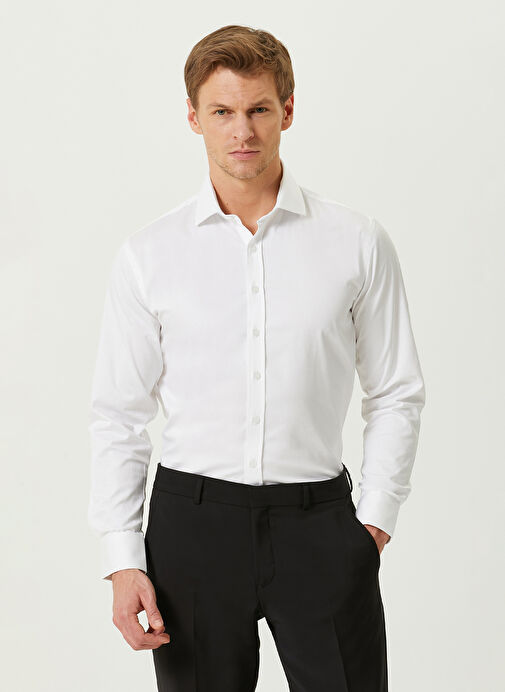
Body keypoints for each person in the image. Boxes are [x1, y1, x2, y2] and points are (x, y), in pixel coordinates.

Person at [87, 24, 425, 692]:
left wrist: (374, 523)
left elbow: (395, 390)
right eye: (222, 111)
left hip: (320, 526)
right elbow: (118, 415)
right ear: (194, 118)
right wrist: (123, 557)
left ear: (287, 111)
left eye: (258, 109)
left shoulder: (355, 241)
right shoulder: (149, 256)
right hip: (192, 528)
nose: (241, 131)